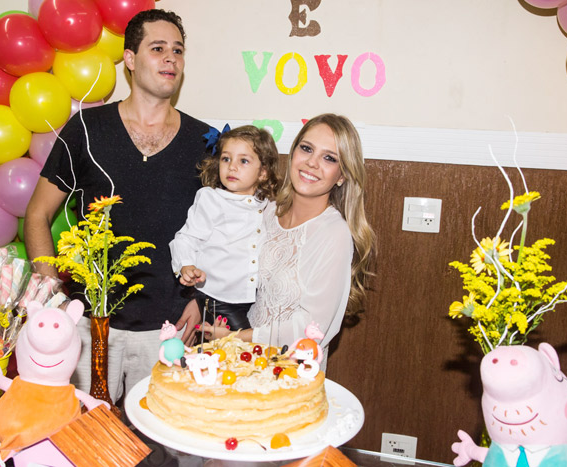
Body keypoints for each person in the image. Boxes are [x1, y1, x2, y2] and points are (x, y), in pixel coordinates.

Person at [24, 9, 209, 403]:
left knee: (162, 451)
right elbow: (38, 214)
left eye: (177, 50)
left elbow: (222, 235)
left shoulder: (204, 142)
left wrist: (200, 301)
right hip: (92, 327)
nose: (170, 58)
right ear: (129, 59)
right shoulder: (87, 130)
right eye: (157, 48)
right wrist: (52, 297)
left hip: (171, 330)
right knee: (82, 442)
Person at [200, 114, 375, 365]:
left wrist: (238, 337)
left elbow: (312, 329)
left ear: (342, 175)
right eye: (306, 149)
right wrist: (202, 303)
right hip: (241, 358)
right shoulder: (266, 210)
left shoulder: (334, 234)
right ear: (293, 154)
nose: (312, 163)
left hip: (290, 371)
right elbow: (225, 263)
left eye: (329, 158)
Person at [170, 125, 280, 331]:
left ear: (263, 173)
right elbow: (186, 238)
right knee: (243, 347)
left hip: (249, 297)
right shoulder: (211, 199)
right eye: (226, 158)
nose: (232, 167)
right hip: (218, 296)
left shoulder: (267, 204)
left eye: (243, 161)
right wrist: (185, 265)